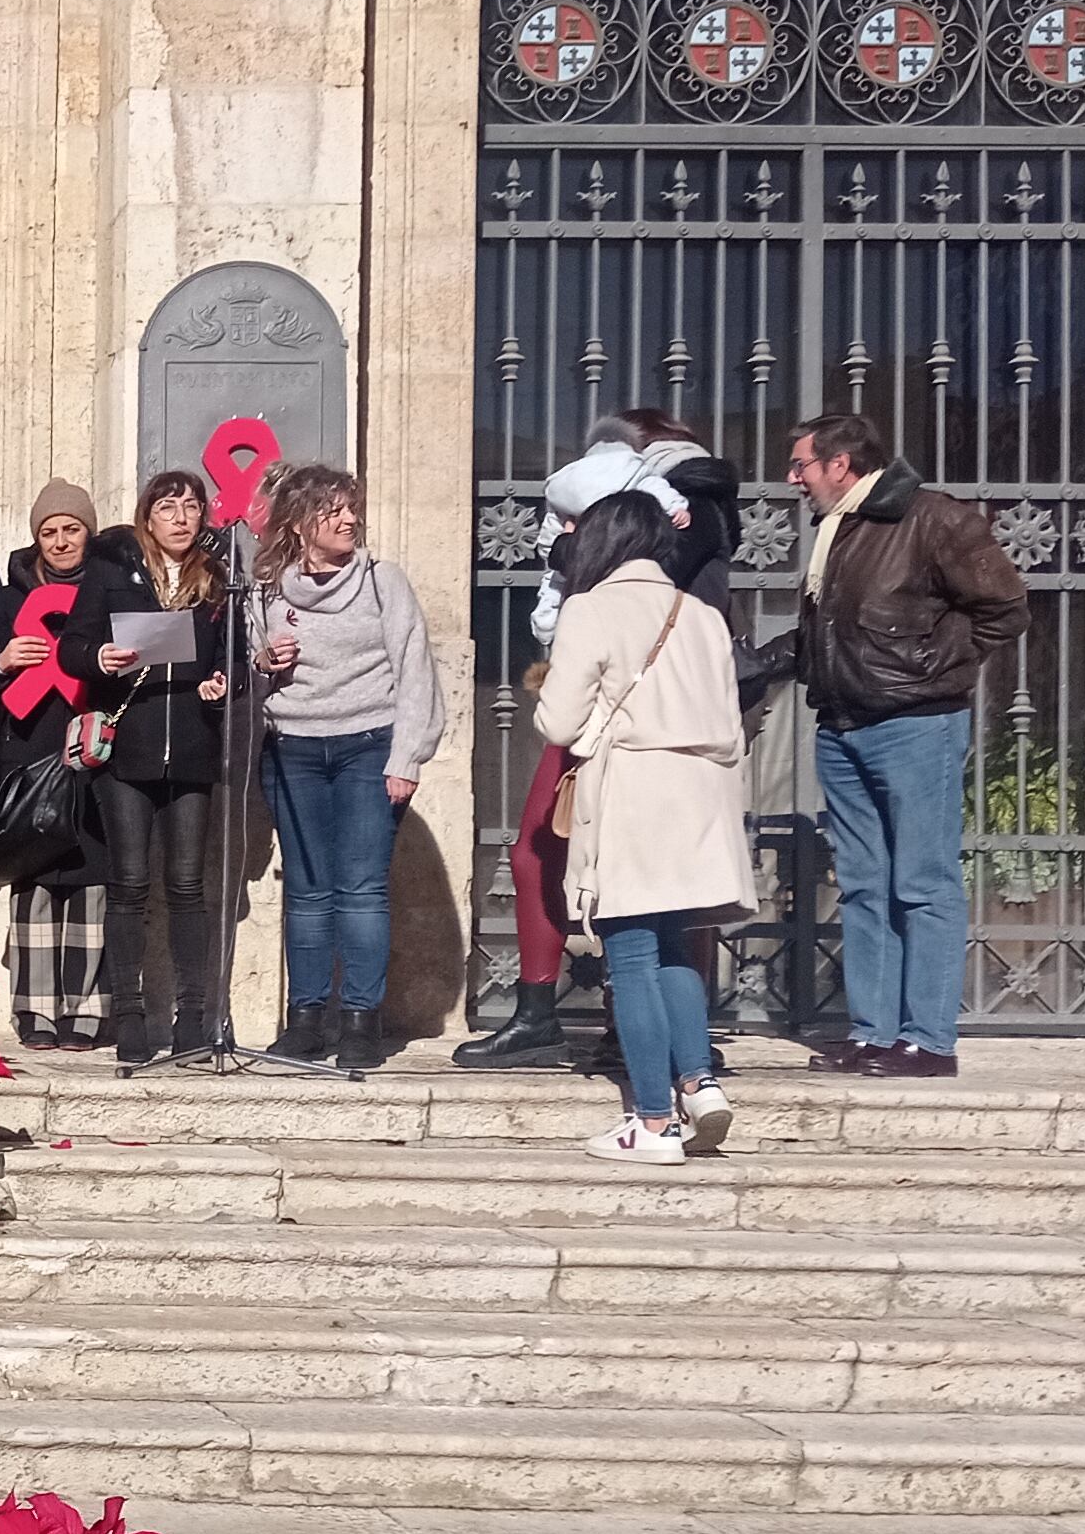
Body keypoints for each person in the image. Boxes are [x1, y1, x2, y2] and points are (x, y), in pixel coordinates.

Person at [460, 412, 737, 1070]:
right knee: (571, 867)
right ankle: (671, 1065)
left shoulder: (677, 511)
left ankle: (640, 1069)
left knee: (639, 899)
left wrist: (566, 551)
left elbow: (622, 583)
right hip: (657, 724)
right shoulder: (679, 510)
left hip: (619, 722)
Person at [766, 411, 1027, 1079]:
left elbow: (1005, 606)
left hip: (917, 725)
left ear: (840, 464)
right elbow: (830, 631)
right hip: (842, 727)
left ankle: (929, 1041)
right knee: (862, 886)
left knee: (922, 883)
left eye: (801, 465)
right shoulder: (838, 529)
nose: (792, 478)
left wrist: (933, 666)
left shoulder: (933, 518)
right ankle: (873, 1032)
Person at [533, 493, 752, 1160]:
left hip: (634, 790)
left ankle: (653, 1121)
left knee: (629, 956)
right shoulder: (703, 614)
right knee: (674, 947)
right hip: (703, 793)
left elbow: (559, 723)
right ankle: (700, 1081)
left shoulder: (589, 609)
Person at [248, 461, 446, 1077]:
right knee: (306, 892)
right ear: (300, 521)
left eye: (351, 508)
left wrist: (406, 756)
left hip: (368, 747)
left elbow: (415, 670)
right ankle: (307, 1021)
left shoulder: (385, 582)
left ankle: (361, 1022)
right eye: (333, 510)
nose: (349, 519)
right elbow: (249, 676)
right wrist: (264, 661)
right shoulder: (266, 591)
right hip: (292, 750)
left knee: (360, 890)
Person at [61, 468, 245, 1069]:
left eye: (192, 507)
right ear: (148, 516)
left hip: (192, 749)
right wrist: (99, 657)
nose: (182, 518)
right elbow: (72, 646)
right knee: (129, 885)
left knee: (188, 887)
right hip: (128, 750)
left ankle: (194, 1015)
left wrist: (226, 681)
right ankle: (132, 1017)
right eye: (169, 508)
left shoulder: (217, 580)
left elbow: (236, 657)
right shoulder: (113, 573)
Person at [0, 480, 107, 1050]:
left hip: (97, 747)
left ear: (90, 532)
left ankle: (85, 1008)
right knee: (34, 874)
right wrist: (3, 658)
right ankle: (35, 1008)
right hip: (30, 748)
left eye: (71, 529)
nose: (61, 541)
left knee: (91, 876)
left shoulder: (112, 586)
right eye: (49, 531)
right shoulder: (9, 596)